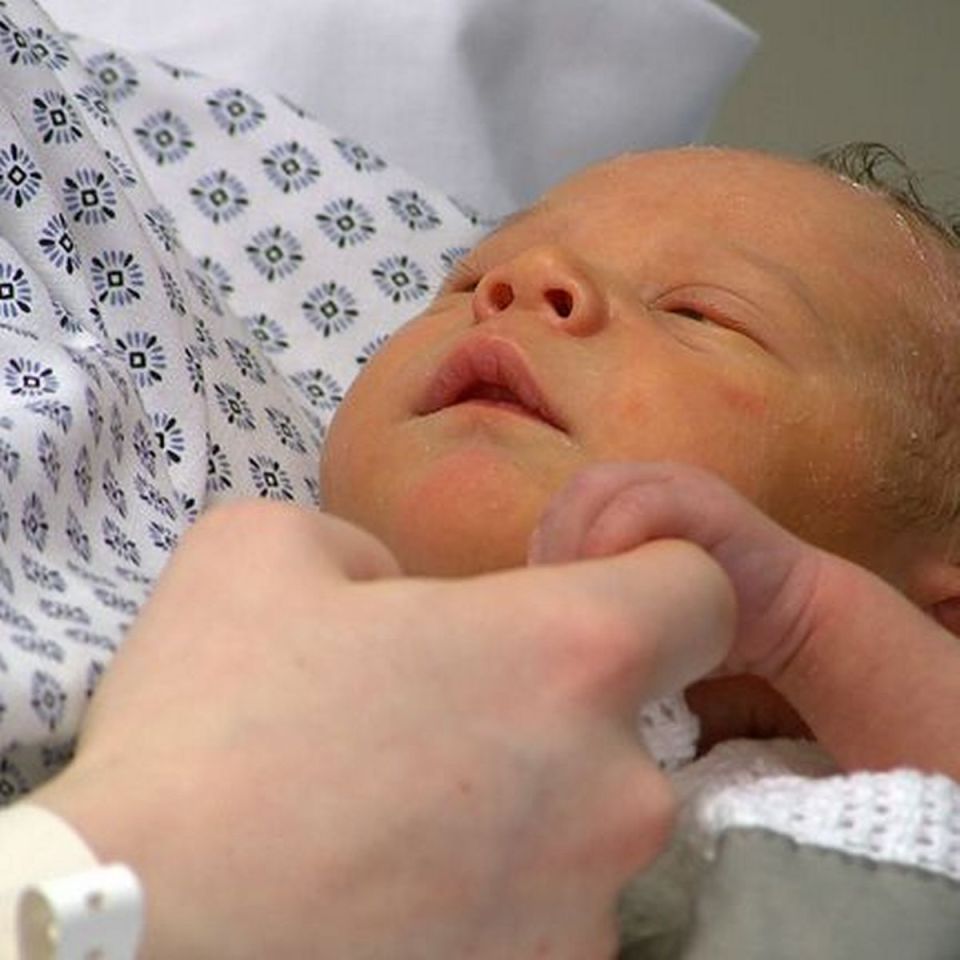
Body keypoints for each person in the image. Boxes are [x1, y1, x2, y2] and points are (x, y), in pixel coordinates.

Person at [10, 143, 960, 956]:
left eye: (701, 313)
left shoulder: (859, 767)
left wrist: (811, 619)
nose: (519, 281)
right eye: (468, 278)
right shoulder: (202, 686)